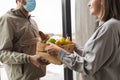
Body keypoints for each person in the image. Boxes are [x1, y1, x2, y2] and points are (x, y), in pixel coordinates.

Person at [45, 0, 120, 80]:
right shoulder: (112, 25)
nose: (88, 4)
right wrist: (75, 47)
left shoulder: (109, 27)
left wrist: (59, 52)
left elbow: (87, 66)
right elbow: (95, 57)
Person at [0, 0, 49, 80]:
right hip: (21, 78)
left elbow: (33, 48)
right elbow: (2, 54)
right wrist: (29, 59)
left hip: (36, 75)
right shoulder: (7, 20)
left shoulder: (32, 21)